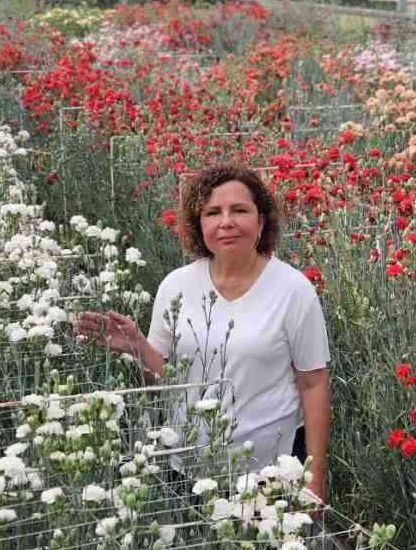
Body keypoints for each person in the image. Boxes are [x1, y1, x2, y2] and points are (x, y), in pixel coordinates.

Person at [77, 165, 332, 502]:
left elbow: (314, 384)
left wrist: (314, 478)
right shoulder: (176, 286)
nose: (226, 221)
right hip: (190, 468)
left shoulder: (293, 290)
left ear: (261, 221)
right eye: (213, 212)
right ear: (199, 225)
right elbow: (170, 381)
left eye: (239, 210)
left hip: (269, 472)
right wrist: (137, 347)